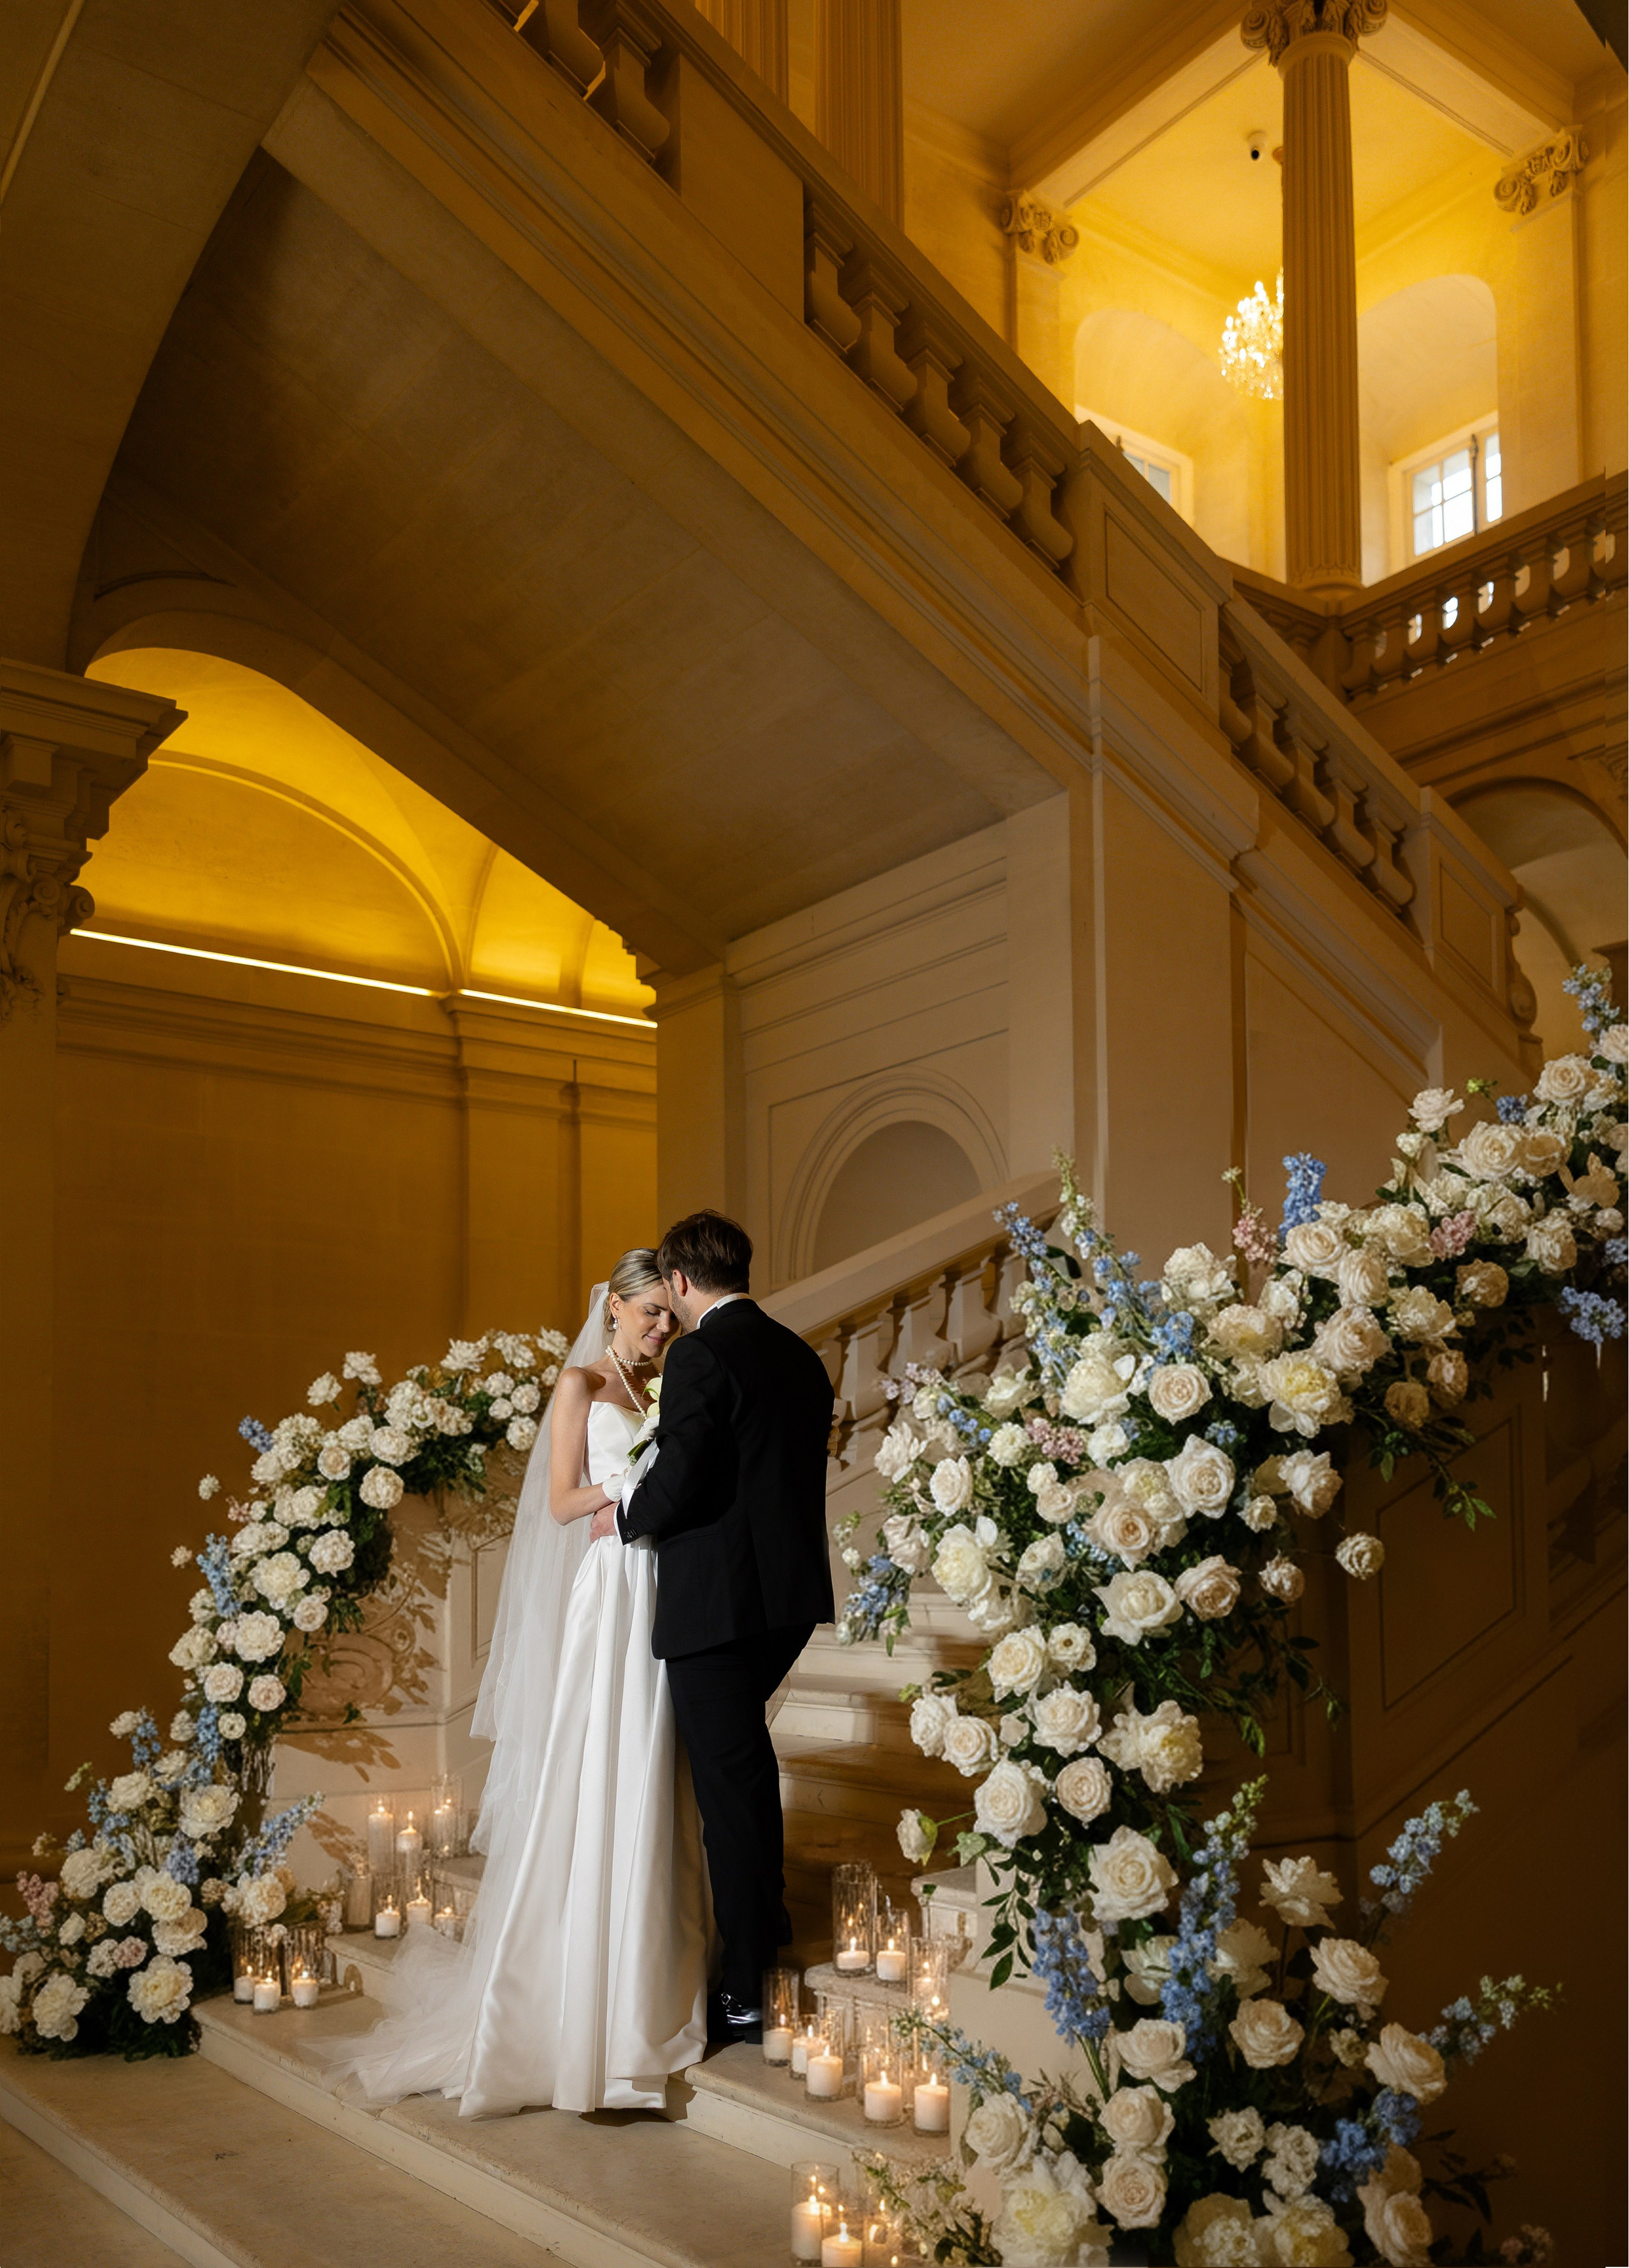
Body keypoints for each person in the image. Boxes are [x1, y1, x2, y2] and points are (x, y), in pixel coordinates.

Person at [321, 1249, 710, 2115]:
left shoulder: (658, 1390)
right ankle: (560, 2017)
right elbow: (563, 1502)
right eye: (648, 1313)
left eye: (666, 1317)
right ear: (612, 1304)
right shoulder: (581, 1384)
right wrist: (636, 1481)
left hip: (658, 1587)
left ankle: (638, 1996)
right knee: (594, 1774)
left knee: (651, 1778)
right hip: (608, 1590)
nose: (659, 1328)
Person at [601, 1209, 835, 2045]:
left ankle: (747, 1988)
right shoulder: (800, 1355)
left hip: (716, 1610)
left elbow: (688, 1473)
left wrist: (625, 1515)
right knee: (744, 1771)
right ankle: (764, 1924)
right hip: (786, 1604)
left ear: (678, 1280)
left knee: (732, 1795)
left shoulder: (701, 1351)